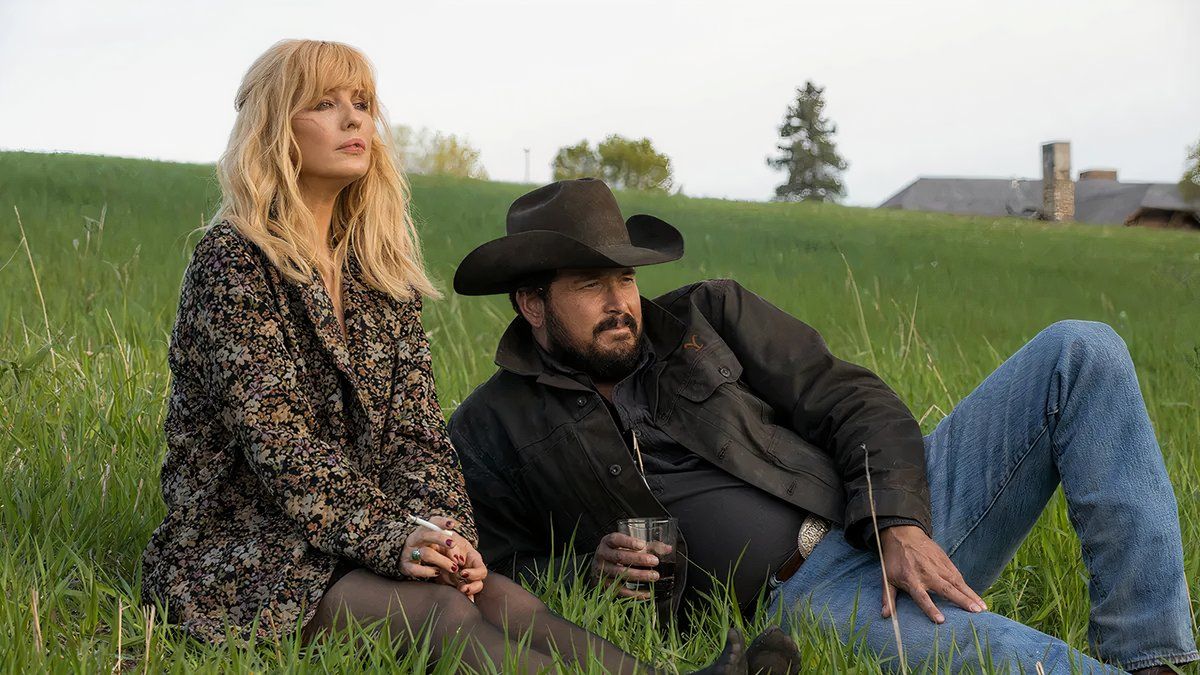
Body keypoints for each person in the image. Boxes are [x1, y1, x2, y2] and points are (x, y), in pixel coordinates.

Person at [138, 39, 799, 674]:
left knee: (506, 599)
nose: (353, 119)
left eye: (362, 102)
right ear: (276, 126)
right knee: (439, 613)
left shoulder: (380, 273)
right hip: (246, 553)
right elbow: (281, 448)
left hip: (358, 535)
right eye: (325, 103)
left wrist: (448, 535)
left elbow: (419, 438)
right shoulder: (233, 263)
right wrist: (397, 539)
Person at [447, 177, 1198, 674]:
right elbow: (498, 571)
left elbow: (853, 399)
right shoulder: (492, 426)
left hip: (881, 516)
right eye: (590, 285)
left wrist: (899, 519)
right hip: (804, 595)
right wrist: (591, 571)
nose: (621, 302)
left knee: (1081, 350)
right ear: (531, 303)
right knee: (1019, 660)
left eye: (626, 277)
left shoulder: (706, 316)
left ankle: (1147, 656)